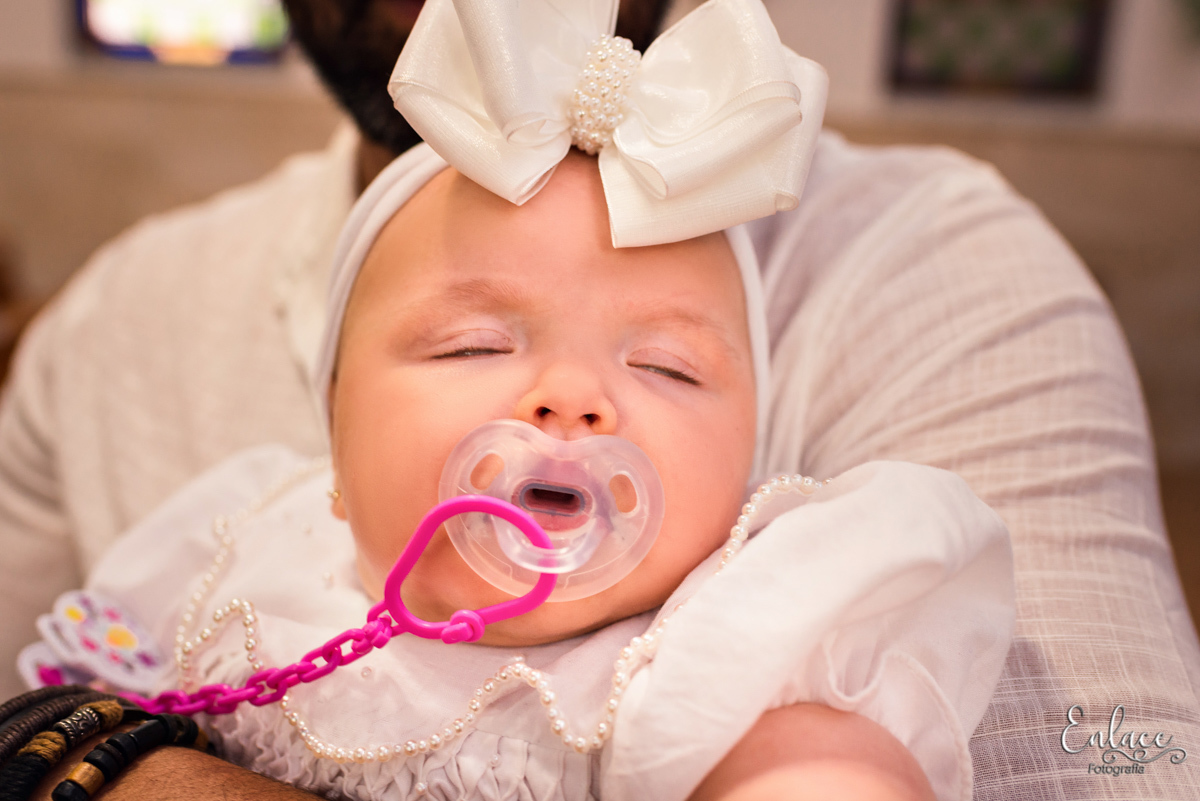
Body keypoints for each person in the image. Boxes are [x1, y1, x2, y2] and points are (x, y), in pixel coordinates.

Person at [4, 0, 1199, 799]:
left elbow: (1111, 764)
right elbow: (47, 702)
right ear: (325, 445)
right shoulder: (245, 557)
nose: (573, 400)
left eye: (670, 370)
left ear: (749, 478)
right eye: (473, 344)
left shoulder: (725, 642)